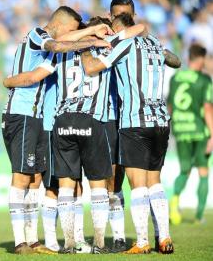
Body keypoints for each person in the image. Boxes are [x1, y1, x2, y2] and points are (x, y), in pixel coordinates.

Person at [4, 15, 145, 254]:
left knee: (64, 186)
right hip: (93, 120)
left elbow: (48, 60)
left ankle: (69, 243)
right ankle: (99, 243)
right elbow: (138, 29)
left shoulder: (62, 56)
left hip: (62, 121)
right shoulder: (106, 48)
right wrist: (108, 36)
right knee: (98, 185)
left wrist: (8, 80)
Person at [81, 13, 181, 254]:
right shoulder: (156, 43)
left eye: (114, 30)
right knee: (155, 183)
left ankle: (143, 242)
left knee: (138, 185)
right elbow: (176, 61)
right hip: (160, 122)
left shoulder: (124, 44)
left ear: (120, 28)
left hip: (135, 121)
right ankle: (165, 238)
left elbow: (92, 67)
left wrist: (85, 48)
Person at [168, 44, 213, 225]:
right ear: (201, 59)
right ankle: (198, 216)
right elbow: (207, 108)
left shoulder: (176, 77)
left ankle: (174, 201)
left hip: (180, 129)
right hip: (199, 131)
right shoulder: (204, 79)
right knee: (203, 171)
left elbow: (170, 106)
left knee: (184, 170)